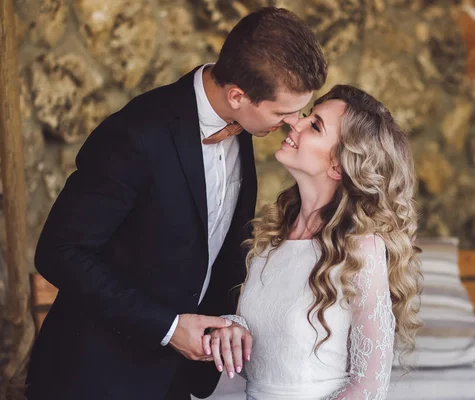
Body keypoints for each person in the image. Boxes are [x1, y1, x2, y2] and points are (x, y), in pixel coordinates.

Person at [25, 7, 327, 400]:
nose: (293, 122)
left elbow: (216, 249)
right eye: (283, 111)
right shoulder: (135, 134)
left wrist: (231, 318)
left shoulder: (245, 128)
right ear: (237, 96)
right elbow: (59, 252)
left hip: (175, 381)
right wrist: (167, 327)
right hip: (96, 377)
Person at [205, 85, 422, 399]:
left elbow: (369, 387)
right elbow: (263, 326)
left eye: (315, 125)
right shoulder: (271, 236)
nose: (295, 123)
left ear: (338, 164)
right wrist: (233, 326)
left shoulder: (361, 248)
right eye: (307, 116)